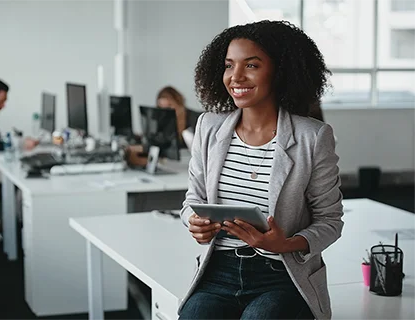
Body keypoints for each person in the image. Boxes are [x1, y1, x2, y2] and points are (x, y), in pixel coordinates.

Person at [179, 21, 343, 320]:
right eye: (229, 65)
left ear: (280, 71)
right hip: (218, 271)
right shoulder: (208, 127)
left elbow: (330, 221)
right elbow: (193, 199)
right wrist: (194, 221)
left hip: (281, 275)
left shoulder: (313, 136)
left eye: (251, 65)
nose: (236, 76)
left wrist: (286, 244)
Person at [126, 86, 201, 166]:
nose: (166, 112)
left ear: (179, 103)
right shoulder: (166, 121)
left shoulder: (196, 119)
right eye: (161, 108)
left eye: (170, 106)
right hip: (177, 166)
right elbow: (160, 143)